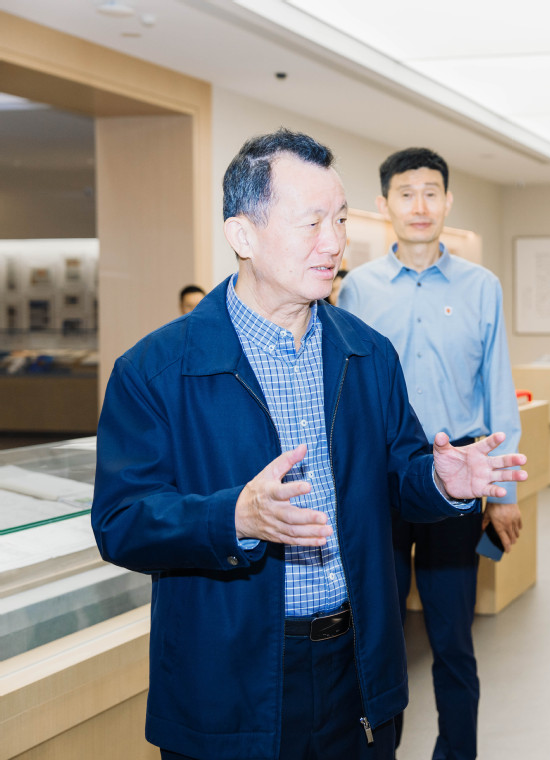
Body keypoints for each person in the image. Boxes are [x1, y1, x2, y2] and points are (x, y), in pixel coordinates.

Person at [92, 129, 526, 760]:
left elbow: (398, 470)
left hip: (357, 672)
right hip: (230, 682)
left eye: (341, 220)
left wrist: (439, 480)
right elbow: (122, 521)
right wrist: (234, 517)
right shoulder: (155, 371)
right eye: (312, 222)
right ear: (243, 235)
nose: (334, 242)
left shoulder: (367, 353)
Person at [338, 147, 521, 760]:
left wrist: (503, 494)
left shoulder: (481, 287)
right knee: (377, 640)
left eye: (431, 192)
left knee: (453, 643)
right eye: (406, 192)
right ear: (384, 204)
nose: (419, 205)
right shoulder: (357, 289)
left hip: (456, 485)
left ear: (448, 202)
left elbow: (497, 388)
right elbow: (346, 396)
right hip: (382, 485)